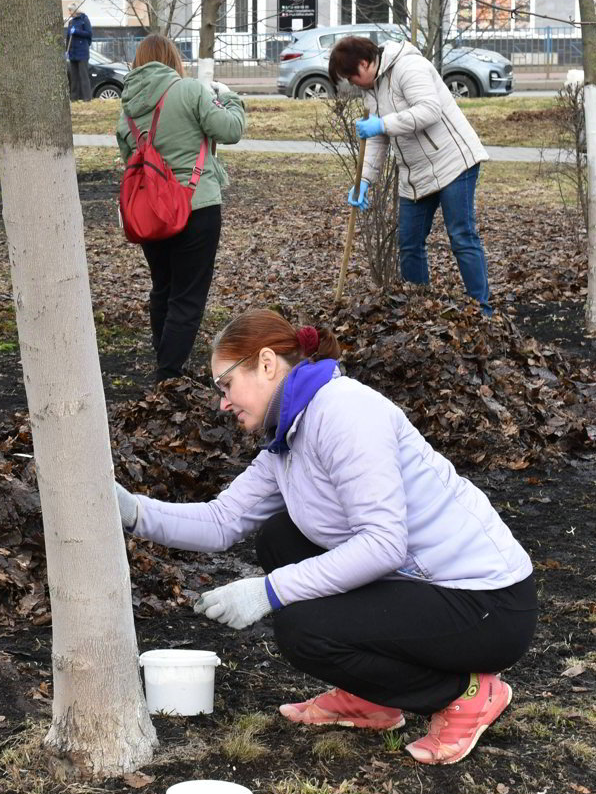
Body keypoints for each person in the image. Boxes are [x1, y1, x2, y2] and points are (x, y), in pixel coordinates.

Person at [112, 309, 537, 766]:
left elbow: (383, 544)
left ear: (267, 363)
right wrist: (132, 511)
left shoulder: (345, 413)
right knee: (280, 538)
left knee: (304, 631)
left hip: (486, 605)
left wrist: (268, 591)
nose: (223, 403)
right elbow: (222, 521)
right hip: (421, 587)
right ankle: (372, 697)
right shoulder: (288, 435)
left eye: (226, 384)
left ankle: (464, 694)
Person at [330, 35, 493, 313]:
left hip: (453, 162)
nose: (352, 83)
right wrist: (364, 180)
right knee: (409, 243)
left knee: (461, 236)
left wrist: (383, 123)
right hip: (416, 173)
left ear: (365, 63)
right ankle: (419, 309)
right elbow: (378, 138)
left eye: (351, 76)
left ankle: (482, 310)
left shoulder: (408, 66)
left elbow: (429, 110)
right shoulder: (372, 89)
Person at [117, 33, 246, 382]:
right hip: (196, 206)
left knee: (163, 288)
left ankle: (166, 362)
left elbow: (130, 160)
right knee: (187, 296)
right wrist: (229, 98)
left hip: (151, 213)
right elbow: (230, 130)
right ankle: (168, 375)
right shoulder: (190, 91)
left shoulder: (127, 107)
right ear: (172, 58)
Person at [66, 6, 94, 102]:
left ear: (74, 10)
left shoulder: (84, 20)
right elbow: (68, 37)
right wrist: (67, 50)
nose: (69, 13)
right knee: (74, 77)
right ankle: (74, 97)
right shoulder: (71, 22)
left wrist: (77, 31)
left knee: (83, 75)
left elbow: (89, 33)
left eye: (70, 10)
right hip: (73, 53)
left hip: (82, 52)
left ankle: (87, 97)